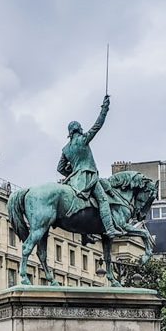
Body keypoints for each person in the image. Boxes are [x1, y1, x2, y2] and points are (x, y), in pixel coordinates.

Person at [57, 95, 118, 240]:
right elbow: (97, 125)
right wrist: (105, 108)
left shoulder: (66, 149)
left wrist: (72, 172)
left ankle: (85, 235)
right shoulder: (83, 140)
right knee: (102, 200)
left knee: (85, 204)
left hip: (74, 181)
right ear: (79, 129)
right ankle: (110, 229)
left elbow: (60, 168)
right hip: (88, 177)